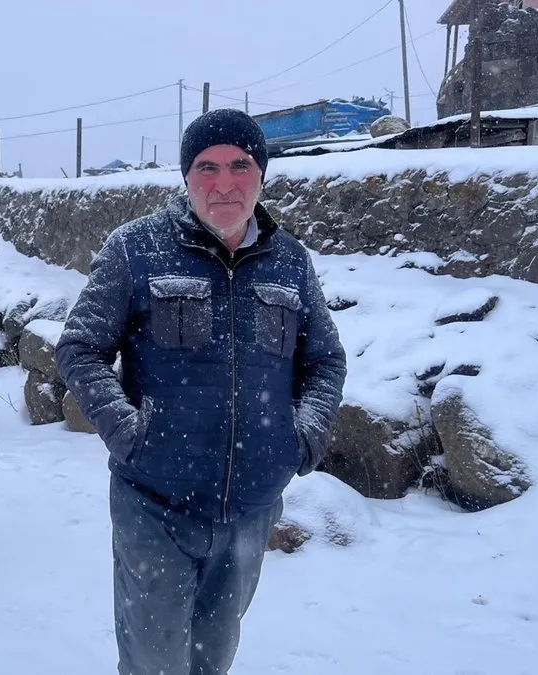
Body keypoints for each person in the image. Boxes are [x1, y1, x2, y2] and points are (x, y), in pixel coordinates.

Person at [54, 108, 347, 675]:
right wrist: (128, 432)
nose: (224, 182)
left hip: (251, 510)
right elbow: (79, 348)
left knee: (213, 657)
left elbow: (324, 360)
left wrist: (304, 437)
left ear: (261, 174)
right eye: (206, 167)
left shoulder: (289, 262)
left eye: (240, 165)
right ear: (186, 177)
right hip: (155, 504)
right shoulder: (135, 249)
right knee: (155, 661)